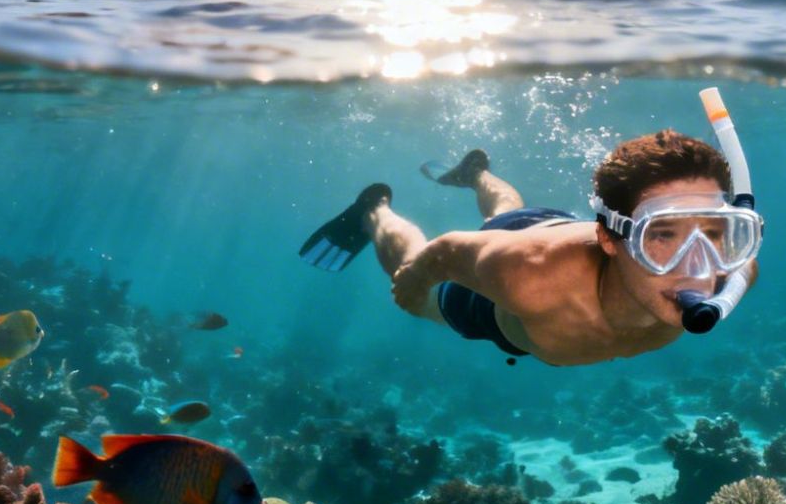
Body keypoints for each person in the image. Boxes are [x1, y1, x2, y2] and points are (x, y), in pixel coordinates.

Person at [300, 131, 760, 366]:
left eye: (717, 232)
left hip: (548, 232)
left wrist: (703, 243)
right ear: (609, 238)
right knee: (416, 260)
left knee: (503, 211)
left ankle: (475, 175)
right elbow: (446, 250)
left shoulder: (732, 272)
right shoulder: (529, 277)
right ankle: (374, 210)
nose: (698, 268)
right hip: (511, 274)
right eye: (663, 235)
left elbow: (731, 259)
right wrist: (412, 284)